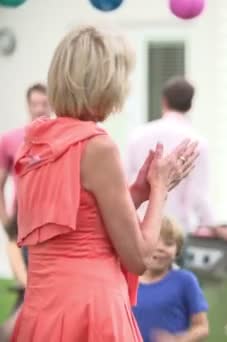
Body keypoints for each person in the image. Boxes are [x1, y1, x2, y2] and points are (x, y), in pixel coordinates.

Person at [10, 24, 199, 341]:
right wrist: (160, 189)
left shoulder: (34, 144)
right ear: (106, 82)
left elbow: (80, 218)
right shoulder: (97, 145)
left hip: (42, 308)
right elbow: (139, 257)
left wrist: (136, 193)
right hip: (91, 308)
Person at [127, 76, 213, 235]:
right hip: (177, 229)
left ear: (164, 101)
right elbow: (199, 193)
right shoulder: (197, 142)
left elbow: (127, 178)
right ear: (190, 104)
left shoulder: (137, 135)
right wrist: (208, 224)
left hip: (139, 224)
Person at [133, 217, 209, 342]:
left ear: (177, 251)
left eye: (168, 243)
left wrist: (177, 340)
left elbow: (202, 327)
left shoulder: (185, 281)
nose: (160, 248)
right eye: (154, 241)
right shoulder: (126, 280)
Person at [0, 83, 51, 226]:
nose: (39, 109)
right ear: (28, 106)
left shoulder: (62, 140)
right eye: (34, 104)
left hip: (53, 217)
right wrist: (5, 222)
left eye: (44, 104)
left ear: (51, 106)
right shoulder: (9, 140)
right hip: (23, 218)